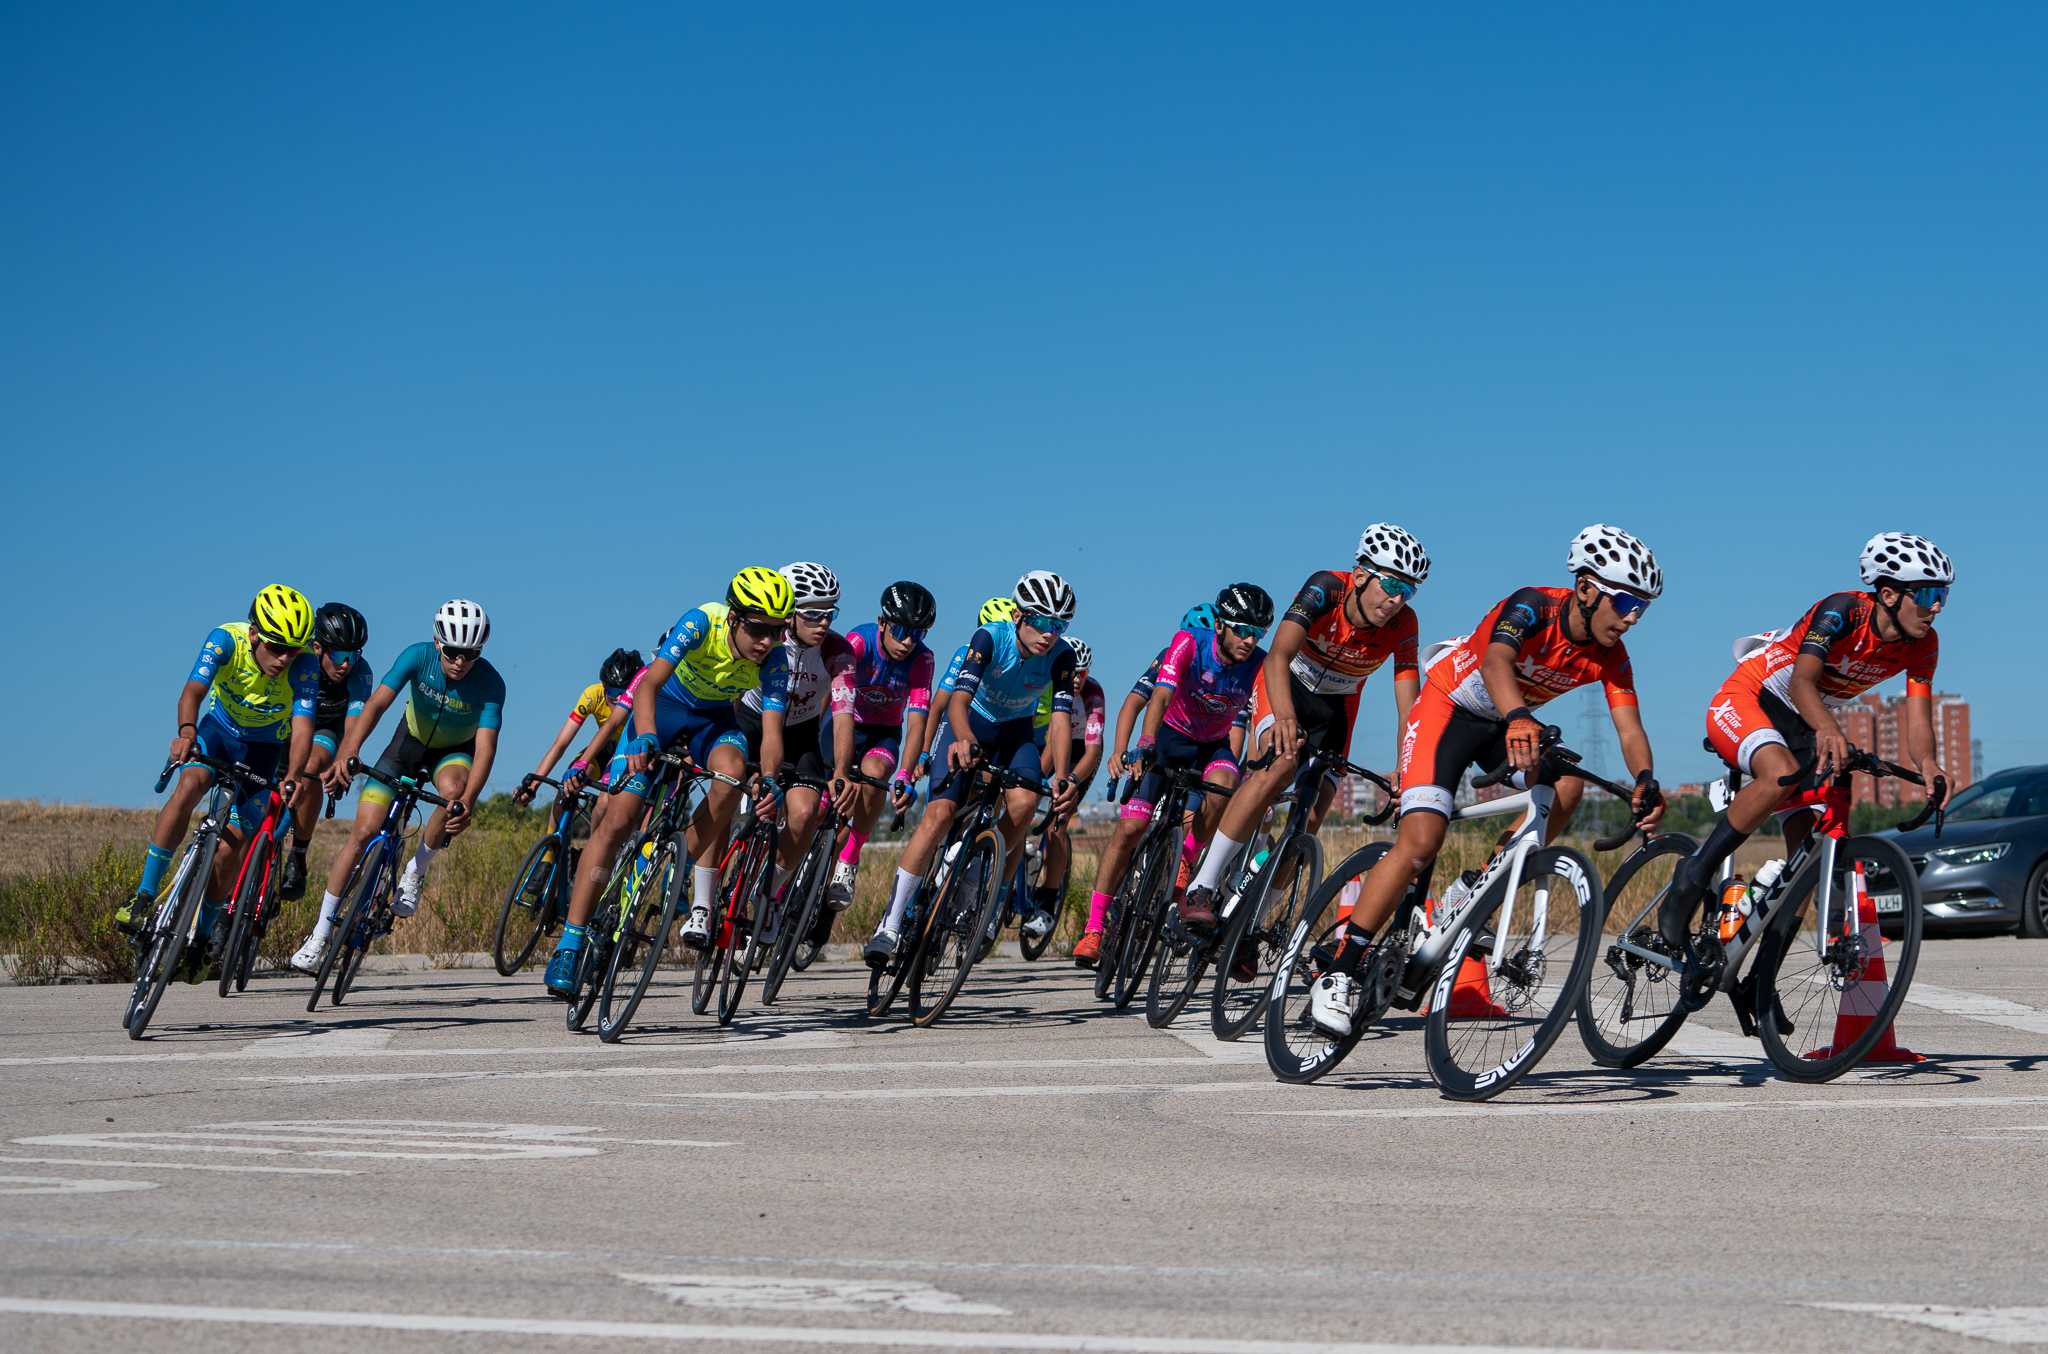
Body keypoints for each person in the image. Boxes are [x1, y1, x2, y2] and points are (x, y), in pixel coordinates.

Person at [1308, 525, 1667, 1038]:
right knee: (1420, 843)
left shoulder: (1613, 656)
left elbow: (1629, 725)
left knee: (1564, 786)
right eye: (1627, 601)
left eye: (1643, 607)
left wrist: (1646, 779)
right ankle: (1341, 968)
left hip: (1506, 722)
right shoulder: (1533, 607)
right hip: (1448, 710)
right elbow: (1497, 659)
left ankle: (1473, 886)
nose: (1632, 616)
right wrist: (1521, 716)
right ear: (1586, 588)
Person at [1656, 532, 1953, 953]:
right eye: (1927, 594)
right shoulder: (1842, 612)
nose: (1937, 606)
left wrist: (1928, 765)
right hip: (1755, 696)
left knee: (1807, 857)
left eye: (1942, 594)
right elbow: (1801, 681)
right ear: (1888, 594)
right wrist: (1829, 729)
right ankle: (1692, 876)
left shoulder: (1925, 644)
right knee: (1778, 773)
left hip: (1804, 721)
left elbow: (1919, 717)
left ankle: (1761, 979)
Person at [540, 568, 792, 998]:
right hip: (661, 709)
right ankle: (570, 943)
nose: (767, 640)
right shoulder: (700, 622)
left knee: (731, 775)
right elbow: (649, 685)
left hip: (712, 724)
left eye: (778, 630)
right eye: (758, 628)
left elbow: (771, 734)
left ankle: (678, 860)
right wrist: (648, 735)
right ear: (733, 618)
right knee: (617, 821)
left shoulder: (774, 661)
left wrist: (768, 781)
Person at [1180, 525, 1429, 932]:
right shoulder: (1324, 589)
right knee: (1279, 765)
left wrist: (1408, 769)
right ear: (1362, 574)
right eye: (1390, 584)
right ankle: (1202, 886)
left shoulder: (1405, 624)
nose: (1397, 598)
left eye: (1409, 590)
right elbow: (1277, 656)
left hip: (1336, 709)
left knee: (1312, 816)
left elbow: (1409, 707)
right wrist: (1282, 717)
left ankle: (1254, 924)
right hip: (1287, 685)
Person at [865, 571, 1080, 963]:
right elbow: (957, 701)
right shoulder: (989, 638)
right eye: (1042, 622)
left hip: (1015, 732)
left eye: (1059, 625)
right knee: (939, 813)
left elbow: (1062, 719)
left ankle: (976, 871)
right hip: (971, 721)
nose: (1050, 634)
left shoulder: (1061, 656)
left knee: (1026, 803)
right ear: (1019, 616)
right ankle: (890, 924)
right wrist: (963, 740)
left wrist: (1064, 774)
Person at [289, 600, 506, 973]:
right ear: (439, 644)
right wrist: (350, 750)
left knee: (452, 792)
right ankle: (320, 934)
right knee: (362, 833)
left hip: (453, 754)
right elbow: (375, 706)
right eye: (453, 652)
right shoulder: (416, 657)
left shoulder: (490, 683)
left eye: (469, 655)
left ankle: (416, 870)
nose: (459, 662)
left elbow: (485, 748)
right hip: (407, 745)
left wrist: (468, 800)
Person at [121, 585, 319, 980]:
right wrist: (186, 732)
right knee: (190, 784)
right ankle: (144, 895)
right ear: (254, 635)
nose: (284, 658)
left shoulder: (305, 664)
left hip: (264, 748)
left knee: (233, 847)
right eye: (277, 647)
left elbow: (302, 728)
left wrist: (294, 776)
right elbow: (193, 691)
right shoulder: (225, 640)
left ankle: (203, 937)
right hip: (218, 731)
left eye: (292, 649)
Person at [1074, 585, 1272, 967]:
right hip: (1169, 740)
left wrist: (1261, 769)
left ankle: (1186, 862)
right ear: (1220, 626)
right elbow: (1156, 698)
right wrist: (1142, 743)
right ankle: (1094, 928)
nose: (1250, 640)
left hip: (1210, 747)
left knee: (1225, 786)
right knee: (1130, 829)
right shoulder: (1186, 644)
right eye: (1242, 630)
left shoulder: (1259, 664)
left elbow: (1258, 721)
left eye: (1258, 633)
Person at [819, 581, 937, 939]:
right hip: (843, 723)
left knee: (875, 776)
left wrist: (905, 773)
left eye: (917, 634)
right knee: (815, 805)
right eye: (900, 631)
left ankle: (849, 858)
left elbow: (917, 722)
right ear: (882, 623)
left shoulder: (922, 660)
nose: (907, 642)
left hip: (882, 734)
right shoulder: (859, 642)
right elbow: (830, 697)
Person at [736, 563, 852, 898]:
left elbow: (844, 713)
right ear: (790, 614)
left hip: (800, 733)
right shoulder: (765, 641)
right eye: (814, 614)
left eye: (830, 613)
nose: (825, 622)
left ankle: (767, 892)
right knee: (726, 795)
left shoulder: (837, 650)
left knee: (804, 814)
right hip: (752, 723)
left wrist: (841, 770)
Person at [280, 602, 372, 901]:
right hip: (288, 724)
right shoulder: (297, 660)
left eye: (355, 654)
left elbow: (354, 725)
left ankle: (298, 854)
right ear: (318, 648)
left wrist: (346, 759)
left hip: (327, 730)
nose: (348, 664)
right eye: (341, 655)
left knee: (313, 764)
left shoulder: (359, 674)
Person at [514, 647, 642, 827]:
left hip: (628, 750)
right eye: (614, 700)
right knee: (568, 785)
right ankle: (550, 850)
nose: (621, 707)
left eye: (627, 699)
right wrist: (534, 785)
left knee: (606, 803)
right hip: (603, 747)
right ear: (605, 689)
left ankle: (595, 851)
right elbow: (561, 744)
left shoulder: (643, 701)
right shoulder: (593, 695)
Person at [1026, 638, 1105, 924]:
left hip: (1080, 755)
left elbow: (1094, 750)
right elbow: (1047, 745)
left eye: (1081, 674)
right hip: (1050, 743)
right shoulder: (1047, 684)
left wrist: (1070, 780)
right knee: (1027, 791)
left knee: (1058, 822)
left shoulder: (1093, 695)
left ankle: (1047, 900)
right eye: (1072, 672)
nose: (1075, 679)